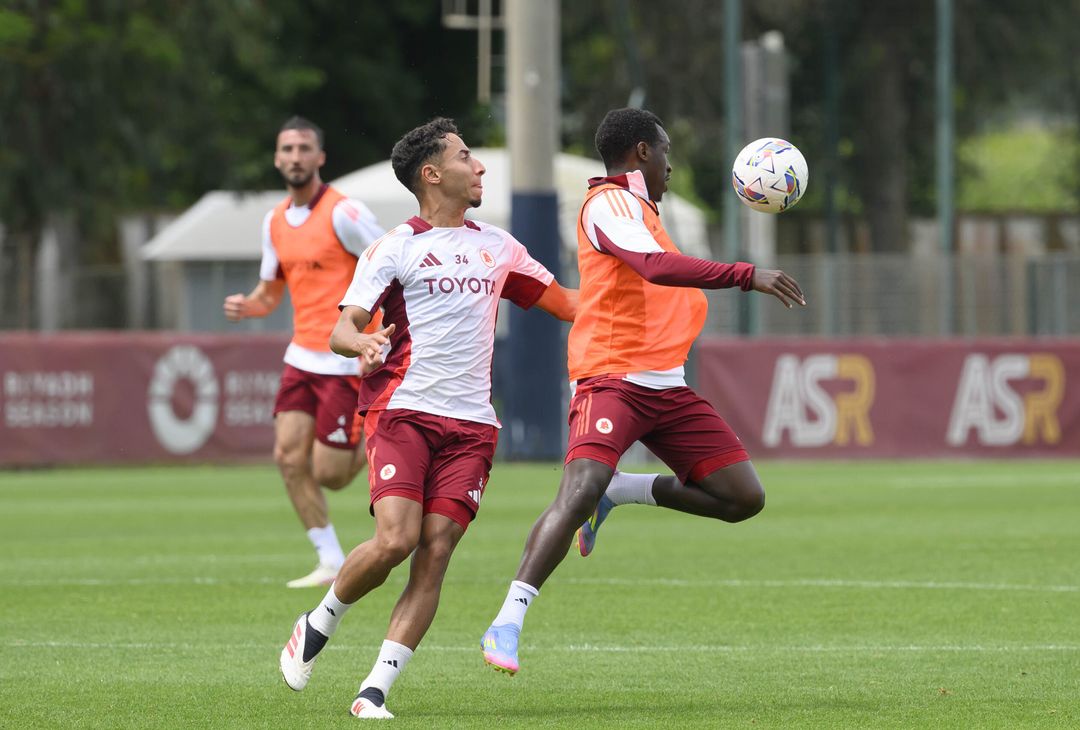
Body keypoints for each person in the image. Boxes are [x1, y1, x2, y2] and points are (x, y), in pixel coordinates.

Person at [481, 107, 807, 675]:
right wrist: (743, 273)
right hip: (612, 377)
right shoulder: (607, 203)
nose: (671, 165)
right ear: (640, 152)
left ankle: (624, 491)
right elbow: (654, 268)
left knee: (743, 499)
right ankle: (508, 619)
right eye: (665, 151)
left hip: (668, 385)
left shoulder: (642, 207)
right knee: (578, 487)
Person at [277, 117, 577, 719]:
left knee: (435, 551)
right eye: (468, 156)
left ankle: (373, 691)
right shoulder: (394, 247)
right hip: (402, 412)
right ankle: (318, 623)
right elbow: (341, 327)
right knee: (395, 540)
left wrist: (651, 285)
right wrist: (360, 345)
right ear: (434, 173)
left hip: (472, 428)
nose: (482, 166)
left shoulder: (499, 246)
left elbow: (569, 306)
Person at [224, 116, 385, 588]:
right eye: (287, 149)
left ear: (320, 158)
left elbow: (389, 264)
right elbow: (271, 292)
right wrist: (249, 306)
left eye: (303, 148)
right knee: (288, 457)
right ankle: (330, 558)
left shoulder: (344, 212)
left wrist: (370, 338)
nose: (295, 157)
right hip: (302, 357)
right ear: (277, 159)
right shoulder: (273, 221)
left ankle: (378, 423)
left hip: (345, 356)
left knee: (330, 474)